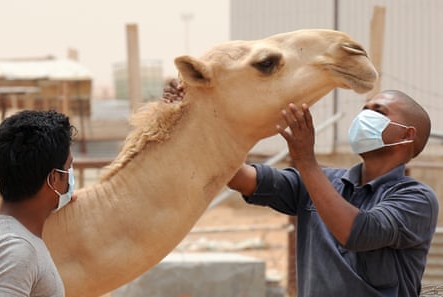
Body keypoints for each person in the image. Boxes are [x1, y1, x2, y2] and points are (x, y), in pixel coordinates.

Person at [163, 81, 438, 296]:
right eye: (364, 109)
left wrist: (306, 160)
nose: (365, 116)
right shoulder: (322, 181)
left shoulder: (416, 198)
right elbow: (239, 176)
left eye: (378, 111)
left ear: (406, 134)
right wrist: (192, 122)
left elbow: (358, 232)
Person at [0, 110, 77, 296]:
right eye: (69, 167)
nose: (71, 174)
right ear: (55, 178)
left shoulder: (14, 236)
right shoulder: (17, 250)